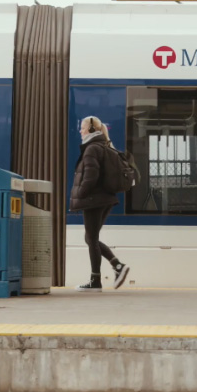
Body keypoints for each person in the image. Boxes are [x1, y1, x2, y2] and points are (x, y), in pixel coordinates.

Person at [69, 116, 130, 292]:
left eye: (82, 128)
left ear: (92, 130)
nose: (80, 131)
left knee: (91, 238)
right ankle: (115, 267)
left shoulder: (92, 149)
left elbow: (90, 176)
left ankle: (97, 280)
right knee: (90, 238)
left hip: (94, 200)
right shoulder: (102, 146)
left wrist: (80, 194)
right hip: (104, 199)